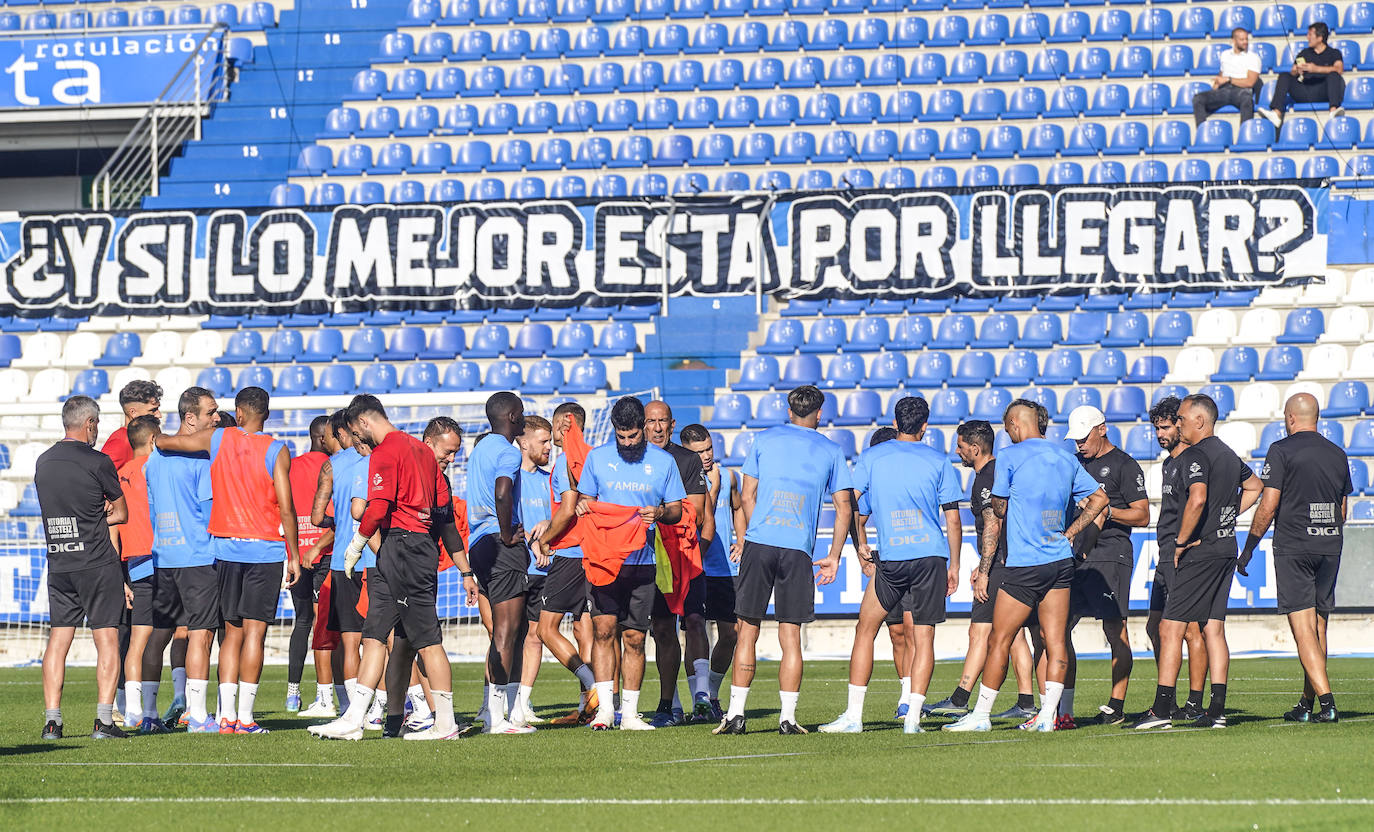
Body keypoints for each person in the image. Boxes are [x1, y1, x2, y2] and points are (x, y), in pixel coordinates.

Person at [310, 395, 471, 740]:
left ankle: (445, 725)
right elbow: (444, 517)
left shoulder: (386, 451)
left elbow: (377, 506)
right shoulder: (424, 454)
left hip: (405, 548)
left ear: (365, 423)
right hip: (401, 550)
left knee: (426, 640)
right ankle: (355, 718)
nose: (356, 441)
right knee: (374, 637)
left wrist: (355, 544)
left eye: (355, 432)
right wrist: (465, 570)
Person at [945, 400, 1108, 733]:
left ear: (1016, 424)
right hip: (1060, 561)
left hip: (1024, 565)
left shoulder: (1009, 458)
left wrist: (986, 567)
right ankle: (1048, 715)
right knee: (1056, 639)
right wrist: (1071, 533)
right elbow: (1100, 500)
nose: (1008, 435)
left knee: (1000, 639)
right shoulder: (1065, 457)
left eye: (1008, 429)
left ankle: (981, 715)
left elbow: (998, 514)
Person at [155, 386, 301, 734]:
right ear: (265, 413)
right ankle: (246, 719)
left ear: (238, 411)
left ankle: (225, 717)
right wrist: (293, 555)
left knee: (231, 634)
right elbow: (287, 507)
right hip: (264, 550)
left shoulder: (218, 439)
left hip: (225, 549)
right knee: (256, 634)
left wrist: (156, 436)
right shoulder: (278, 450)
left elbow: (169, 443)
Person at [820, 397, 962, 734]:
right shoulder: (938, 460)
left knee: (865, 630)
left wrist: (849, 548)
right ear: (925, 425)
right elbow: (953, 520)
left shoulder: (872, 456)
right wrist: (953, 565)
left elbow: (848, 505)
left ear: (895, 422)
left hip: (893, 557)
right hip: (930, 556)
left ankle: (854, 717)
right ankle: (912, 719)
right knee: (924, 638)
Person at [717, 385, 852, 736]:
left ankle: (735, 715)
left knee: (747, 630)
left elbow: (747, 495)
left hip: (761, 542)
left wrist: (749, 536)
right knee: (790, 635)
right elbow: (844, 508)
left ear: (788, 410)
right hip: (798, 550)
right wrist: (834, 555)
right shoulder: (832, 449)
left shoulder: (764, 440)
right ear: (819, 414)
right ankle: (788, 718)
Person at [1134, 394, 1262, 730]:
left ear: (1199, 421)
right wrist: (1227, 517)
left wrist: (1180, 542)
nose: (1178, 424)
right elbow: (1255, 486)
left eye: (1181, 418)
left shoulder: (1196, 454)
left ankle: (1164, 709)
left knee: (1171, 627)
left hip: (1199, 552)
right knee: (1213, 629)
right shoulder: (1228, 454)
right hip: (1225, 547)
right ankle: (1215, 711)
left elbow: (1198, 497)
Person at [572, 396, 686, 731]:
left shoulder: (663, 462)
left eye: (633, 436)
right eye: (622, 437)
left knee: (635, 637)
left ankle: (632, 715)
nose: (628, 443)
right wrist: (582, 507)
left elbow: (677, 509)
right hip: (604, 561)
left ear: (643, 428)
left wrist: (660, 512)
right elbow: (586, 500)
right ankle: (607, 711)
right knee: (604, 631)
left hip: (642, 561)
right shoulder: (598, 458)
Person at [1241, 393, 1350, 723]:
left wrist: (1248, 548)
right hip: (1330, 544)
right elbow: (1342, 510)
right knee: (1319, 627)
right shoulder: (1338, 454)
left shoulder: (1281, 450)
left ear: (1290, 418)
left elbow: (1268, 504)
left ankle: (1328, 702)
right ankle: (1307, 703)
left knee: (1303, 629)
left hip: (1294, 547)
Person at [927, 420, 1037, 722]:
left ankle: (960, 698)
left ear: (975, 449)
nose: (956, 452)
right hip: (1009, 561)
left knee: (980, 631)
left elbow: (994, 523)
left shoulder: (985, 479)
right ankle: (1027, 701)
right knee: (1014, 635)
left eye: (960, 447)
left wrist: (985, 570)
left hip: (1000, 565)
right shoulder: (999, 471)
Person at [36, 396, 130, 740]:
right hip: (96, 561)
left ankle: (52, 722)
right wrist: (99, 513)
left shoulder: (43, 462)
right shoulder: (99, 461)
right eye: (97, 423)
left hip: (60, 560)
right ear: (89, 423)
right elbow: (122, 513)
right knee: (107, 637)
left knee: (58, 639)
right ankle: (104, 721)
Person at [1064, 405, 1149, 727]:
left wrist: (1103, 510)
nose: (1079, 445)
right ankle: (1062, 706)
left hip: (1111, 553)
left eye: (1084, 437)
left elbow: (1142, 515)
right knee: (1057, 630)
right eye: (1075, 440)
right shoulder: (1074, 463)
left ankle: (1116, 705)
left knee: (1114, 629)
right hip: (1074, 555)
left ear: (1102, 429)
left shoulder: (1125, 465)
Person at [144, 387, 221, 733]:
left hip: (163, 555)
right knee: (201, 636)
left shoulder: (153, 458)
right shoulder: (200, 458)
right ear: (190, 418)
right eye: (211, 413)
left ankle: (146, 716)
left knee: (157, 637)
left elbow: (151, 508)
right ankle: (198, 717)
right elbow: (210, 514)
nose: (216, 418)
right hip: (197, 556)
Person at [466, 392, 533, 734]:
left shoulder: (479, 450)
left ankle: (497, 711)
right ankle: (498, 717)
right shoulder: (507, 451)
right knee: (508, 633)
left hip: (478, 543)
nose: (524, 419)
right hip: (499, 542)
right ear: (510, 416)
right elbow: (503, 491)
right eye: (521, 414)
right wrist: (507, 534)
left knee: (503, 632)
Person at [533, 401, 601, 725]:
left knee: (546, 629)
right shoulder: (595, 456)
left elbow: (569, 508)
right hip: (592, 553)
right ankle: (589, 706)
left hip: (571, 554)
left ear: (564, 424)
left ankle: (593, 687)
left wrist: (546, 538)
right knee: (582, 628)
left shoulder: (567, 461)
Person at [644, 401, 709, 727]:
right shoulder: (633, 462)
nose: (657, 427)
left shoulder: (686, 460)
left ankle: (702, 697)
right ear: (643, 424)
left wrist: (660, 511)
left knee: (696, 622)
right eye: (651, 421)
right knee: (662, 630)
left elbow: (695, 513)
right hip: (650, 560)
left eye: (662, 421)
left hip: (685, 557)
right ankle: (670, 705)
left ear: (672, 424)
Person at [1145, 397, 1210, 721]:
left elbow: (1199, 502)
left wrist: (1183, 544)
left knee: (1189, 630)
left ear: (1181, 425)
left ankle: (1194, 702)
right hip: (1164, 555)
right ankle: (1167, 698)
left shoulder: (1190, 460)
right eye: (1156, 428)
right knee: (1154, 627)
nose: (1160, 433)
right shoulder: (1169, 462)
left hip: (1180, 554)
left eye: (1166, 426)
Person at [680, 423, 744, 720]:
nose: (706, 456)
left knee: (731, 633)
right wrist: (712, 489)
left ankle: (713, 693)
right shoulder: (683, 479)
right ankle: (698, 699)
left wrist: (742, 540)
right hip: (694, 564)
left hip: (724, 567)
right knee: (695, 631)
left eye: (708, 449)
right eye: (699, 451)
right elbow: (703, 515)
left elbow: (738, 507)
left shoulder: (728, 475)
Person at [310, 410, 369, 719]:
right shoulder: (375, 459)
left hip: (343, 562)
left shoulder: (332, 465)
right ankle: (381, 707)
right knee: (379, 641)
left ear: (341, 433)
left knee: (349, 641)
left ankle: (350, 710)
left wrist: (340, 521)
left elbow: (316, 518)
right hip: (373, 559)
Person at [112, 415, 168, 734]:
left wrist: (120, 575)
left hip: (134, 563)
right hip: (161, 558)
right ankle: (150, 709)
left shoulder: (118, 476)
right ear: (152, 440)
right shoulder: (156, 469)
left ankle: (134, 711)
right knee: (171, 635)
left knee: (138, 639)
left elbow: (113, 529)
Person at [287, 415, 335, 715]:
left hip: (297, 553)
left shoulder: (291, 467)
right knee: (325, 623)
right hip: (326, 551)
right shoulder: (332, 467)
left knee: (302, 621)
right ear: (322, 437)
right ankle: (325, 693)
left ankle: (293, 693)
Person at [513, 414, 555, 726]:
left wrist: (548, 541)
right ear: (524, 443)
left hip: (544, 571)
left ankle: (523, 702)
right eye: (543, 441)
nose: (549, 447)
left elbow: (559, 519)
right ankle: (499, 699)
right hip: (515, 568)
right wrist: (532, 543)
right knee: (505, 634)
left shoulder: (549, 480)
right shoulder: (510, 478)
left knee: (534, 636)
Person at [1259, 22, 1345, 127]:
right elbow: (1293, 71)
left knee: (1334, 75)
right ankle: (1276, 113)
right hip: (1305, 90)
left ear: (1320, 38)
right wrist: (1296, 71)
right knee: (1285, 76)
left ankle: (1333, 110)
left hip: (1323, 91)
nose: (1307, 37)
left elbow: (1339, 69)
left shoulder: (1334, 53)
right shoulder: (1305, 53)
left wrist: (1315, 69)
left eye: (1310, 34)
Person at [1191, 27, 1261, 126]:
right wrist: (1216, 85)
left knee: (1247, 101)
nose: (1245, 42)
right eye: (1242, 39)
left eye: (1246, 39)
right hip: (1224, 90)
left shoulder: (1253, 57)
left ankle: (1244, 132)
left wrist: (1229, 80)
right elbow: (1222, 73)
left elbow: (1250, 82)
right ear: (1233, 40)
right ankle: (1202, 131)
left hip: (1242, 91)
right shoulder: (1225, 55)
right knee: (1198, 98)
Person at [102, 380, 163, 470]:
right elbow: (98, 479)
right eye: (153, 410)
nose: (159, 415)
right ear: (133, 412)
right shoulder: (120, 441)